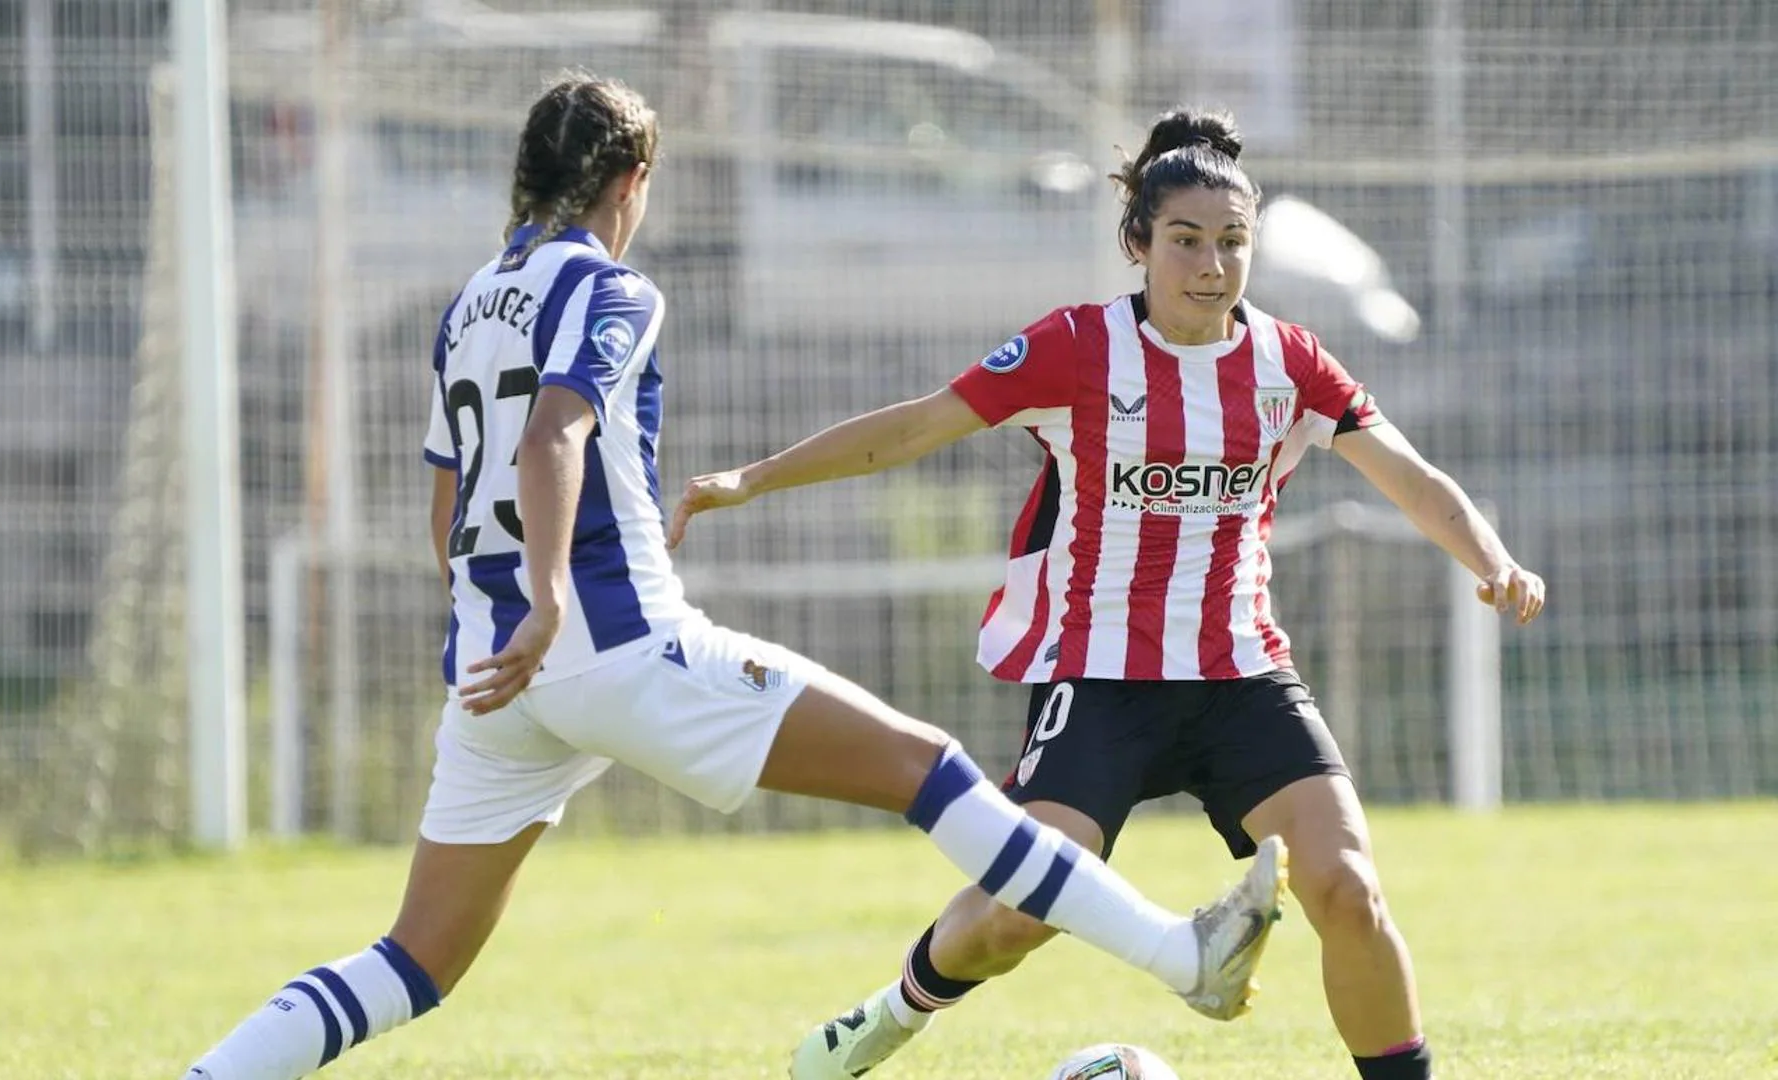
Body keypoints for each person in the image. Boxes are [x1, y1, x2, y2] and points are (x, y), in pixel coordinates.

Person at [178, 80, 1287, 1080]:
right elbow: (555, 432)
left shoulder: (469, 303)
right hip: (613, 643)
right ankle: (1181, 954)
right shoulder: (610, 288)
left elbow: (448, 491)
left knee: (413, 960)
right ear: (631, 180)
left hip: (494, 673)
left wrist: (502, 620)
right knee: (927, 769)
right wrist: (555, 599)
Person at [668, 108, 1547, 1080]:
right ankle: (886, 1017)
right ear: (1138, 242)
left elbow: (1412, 477)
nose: (1211, 265)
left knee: (1347, 889)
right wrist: (753, 479)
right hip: (1100, 680)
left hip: (1242, 677)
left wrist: (1493, 561)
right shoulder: (1078, 347)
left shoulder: (1288, 362)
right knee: (1019, 917)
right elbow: (913, 428)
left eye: (1232, 242)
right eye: (1185, 241)